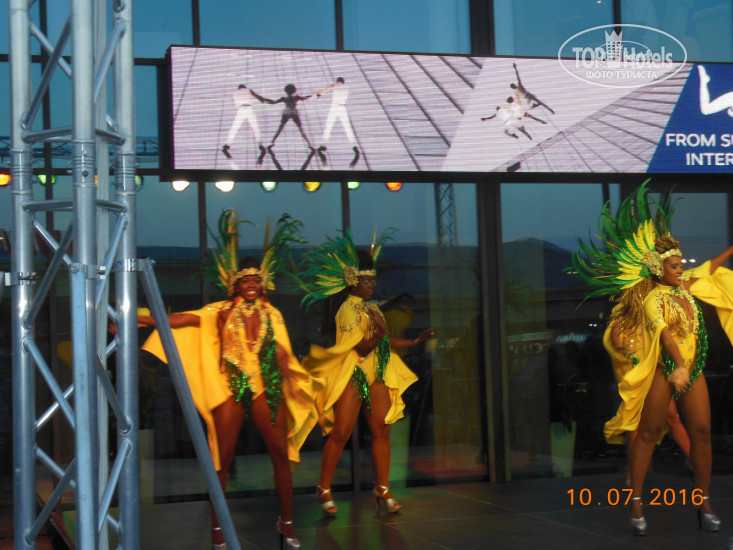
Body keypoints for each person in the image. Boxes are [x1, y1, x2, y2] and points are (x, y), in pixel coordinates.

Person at [140, 212, 320, 550]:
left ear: (262, 283)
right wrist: (143, 319)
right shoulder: (221, 311)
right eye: (245, 280)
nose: (251, 284)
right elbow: (184, 318)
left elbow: (282, 352)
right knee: (220, 459)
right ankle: (217, 528)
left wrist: (291, 381)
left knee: (281, 454)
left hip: (264, 386)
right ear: (235, 284)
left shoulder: (272, 314)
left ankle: (287, 522)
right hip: (230, 387)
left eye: (256, 280)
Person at [571, 181, 733, 536]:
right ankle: (636, 502)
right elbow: (665, 336)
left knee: (703, 432)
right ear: (660, 270)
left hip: (692, 370)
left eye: (681, 263)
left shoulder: (684, 287)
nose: (681, 268)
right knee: (646, 433)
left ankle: (704, 502)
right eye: (675, 265)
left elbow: (707, 269)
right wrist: (678, 367)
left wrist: (731, 249)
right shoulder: (651, 299)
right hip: (664, 370)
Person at [299, 230, 434, 516]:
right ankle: (324, 487)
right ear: (353, 282)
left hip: (378, 374)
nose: (372, 285)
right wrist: (381, 332)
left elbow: (384, 342)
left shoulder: (372, 309)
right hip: (354, 374)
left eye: (373, 280)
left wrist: (414, 342)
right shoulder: (347, 311)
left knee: (382, 431)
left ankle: (382, 487)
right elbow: (361, 347)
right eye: (366, 281)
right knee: (341, 433)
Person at [314, 77, 360, 167]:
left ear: (337, 81)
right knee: (347, 128)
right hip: (343, 107)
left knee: (328, 126)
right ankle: (354, 146)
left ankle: (323, 145)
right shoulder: (346, 88)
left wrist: (319, 94)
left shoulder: (335, 85)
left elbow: (326, 89)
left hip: (334, 107)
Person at [221, 84, 267, 163]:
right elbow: (258, 97)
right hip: (249, 109)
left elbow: (235, 105)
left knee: (234, 128)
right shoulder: (248, 90)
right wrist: (263, 100)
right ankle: (260, 145)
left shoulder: (234, 93)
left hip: (241, 110)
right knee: (255, 127)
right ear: (244, 87)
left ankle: (227, 145)